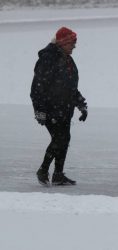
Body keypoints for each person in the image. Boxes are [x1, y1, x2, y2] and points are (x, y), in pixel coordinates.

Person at [30, 27, 88, 186]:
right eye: (72, 43)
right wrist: (40, 111)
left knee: (64, 139)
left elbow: (70, 87)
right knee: (59, 139)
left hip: (64, 108)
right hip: (50, 108)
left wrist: (81, 105)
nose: (74, 46)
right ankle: (43, 170)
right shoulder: (48, 59)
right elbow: (37, 87)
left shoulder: (67, 59)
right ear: (63, 43)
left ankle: (58, 174)